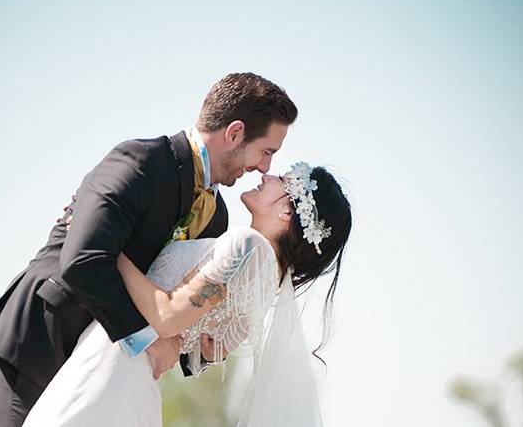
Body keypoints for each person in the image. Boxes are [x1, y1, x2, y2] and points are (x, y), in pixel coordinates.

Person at [0, 72, 298, 426]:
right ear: (234, 133)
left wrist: (203, 347)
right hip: (45, 340)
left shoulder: (217, 217)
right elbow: (84, 260)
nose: (265, 167)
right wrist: (146, 340)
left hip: (111, 366)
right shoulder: (142, 161)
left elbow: (181, 307)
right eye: (267, 151)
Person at [23, 163, 352, 427]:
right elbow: (210, 352)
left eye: (281, 178)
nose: (266, 174)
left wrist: (102, 239)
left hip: (117, 365)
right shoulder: (265, 283)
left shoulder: (246, 246)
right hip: (137, 374)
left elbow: (167, 317)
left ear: (287, 212)